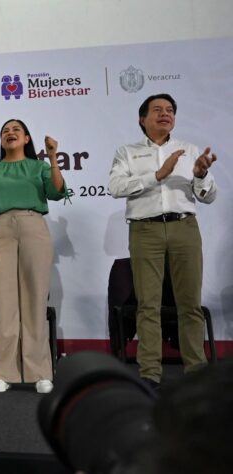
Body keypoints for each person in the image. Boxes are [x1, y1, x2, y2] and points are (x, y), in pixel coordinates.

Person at [108, 93, 217, 388]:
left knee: (190, 304)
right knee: (148, 305)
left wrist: (201, 175)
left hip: (184, 227)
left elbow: (208, 196)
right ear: (142, 119)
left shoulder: (190, 150)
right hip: (145, 230)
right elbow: (116, 187)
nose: (165, 114)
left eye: (170, 110)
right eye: (157, 109)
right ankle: (150, 373)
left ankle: (196, 372)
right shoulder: (127, 152)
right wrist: (157, 175)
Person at [0, 119, 68, 394]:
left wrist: (52, 158)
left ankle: (40, 372)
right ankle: (3, 372)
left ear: (26, 138)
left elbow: (58, 192)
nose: (10, 133)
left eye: (16, 130)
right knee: (3, 303)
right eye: (5, 131)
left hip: (33, 227)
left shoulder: (39, 167)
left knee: (35, 301)